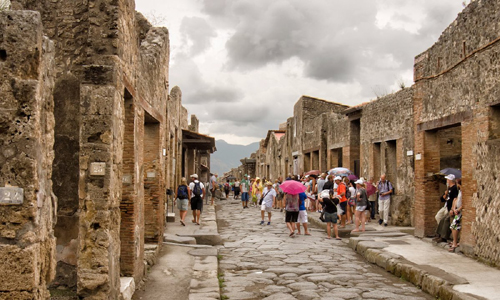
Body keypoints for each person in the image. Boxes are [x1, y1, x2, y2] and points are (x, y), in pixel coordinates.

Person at [435, 174, 459, 242]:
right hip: (446, 206)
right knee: (439, 217)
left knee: (446, 220)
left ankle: (444, 236)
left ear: (450, 180)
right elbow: (442, 199)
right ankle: (440, 233)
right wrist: (445, 194)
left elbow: (454, 199)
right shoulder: (448, 189)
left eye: (448, 179)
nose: (447, 181)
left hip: (450, 208)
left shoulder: (454, 189)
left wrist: (452, 208)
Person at [449, 179, 462, 252]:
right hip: (457, 211)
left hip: (459, 212)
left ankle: (455, 243)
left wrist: (458, 209)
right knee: (453, 226)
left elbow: (464, 202)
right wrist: (453, 208)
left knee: (454, 226)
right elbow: (455, 200)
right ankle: (455, 241)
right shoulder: (460, 191)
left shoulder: (463, 192)